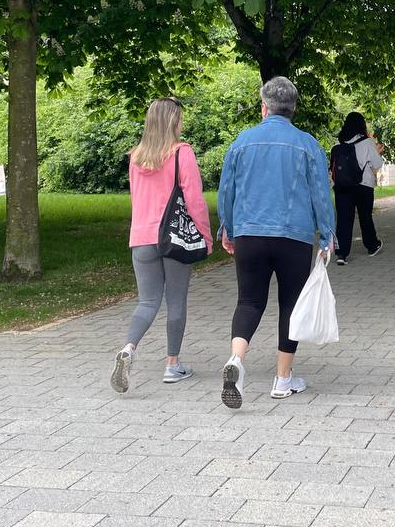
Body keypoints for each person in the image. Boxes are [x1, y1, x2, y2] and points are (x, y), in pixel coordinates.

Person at [216, 76, 336, 409]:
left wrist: (228, 227)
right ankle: (283, 380)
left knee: (249, 301)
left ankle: (237, 360)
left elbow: (227, 190)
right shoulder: (307, 144)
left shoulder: (241, 142)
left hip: (250, 234)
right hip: (293, 237)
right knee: (291, 305)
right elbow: (320, 195)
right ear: (293, 108)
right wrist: (327, 233)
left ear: (264, 106)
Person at [110, 97, 213, 394]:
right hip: (173, 238)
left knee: (147, 301)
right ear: (172, 122)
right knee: (176, 301)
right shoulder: (182, 153)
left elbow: (136, 200)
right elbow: (194, 200)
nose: (182, 124)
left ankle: (128, 348)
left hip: (141, 237)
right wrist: (205, 236)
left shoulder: (136, 157)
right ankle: (172, 365)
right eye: (179, 119)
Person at [330, 111, 385, 265]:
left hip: (342, 187)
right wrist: (378, 152)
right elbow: (377, 164)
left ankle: (341, 254)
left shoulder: (338, 143)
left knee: (343, 220)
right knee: (365, 216)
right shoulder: (367, 142)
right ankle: (372, 246)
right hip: (363, 185)